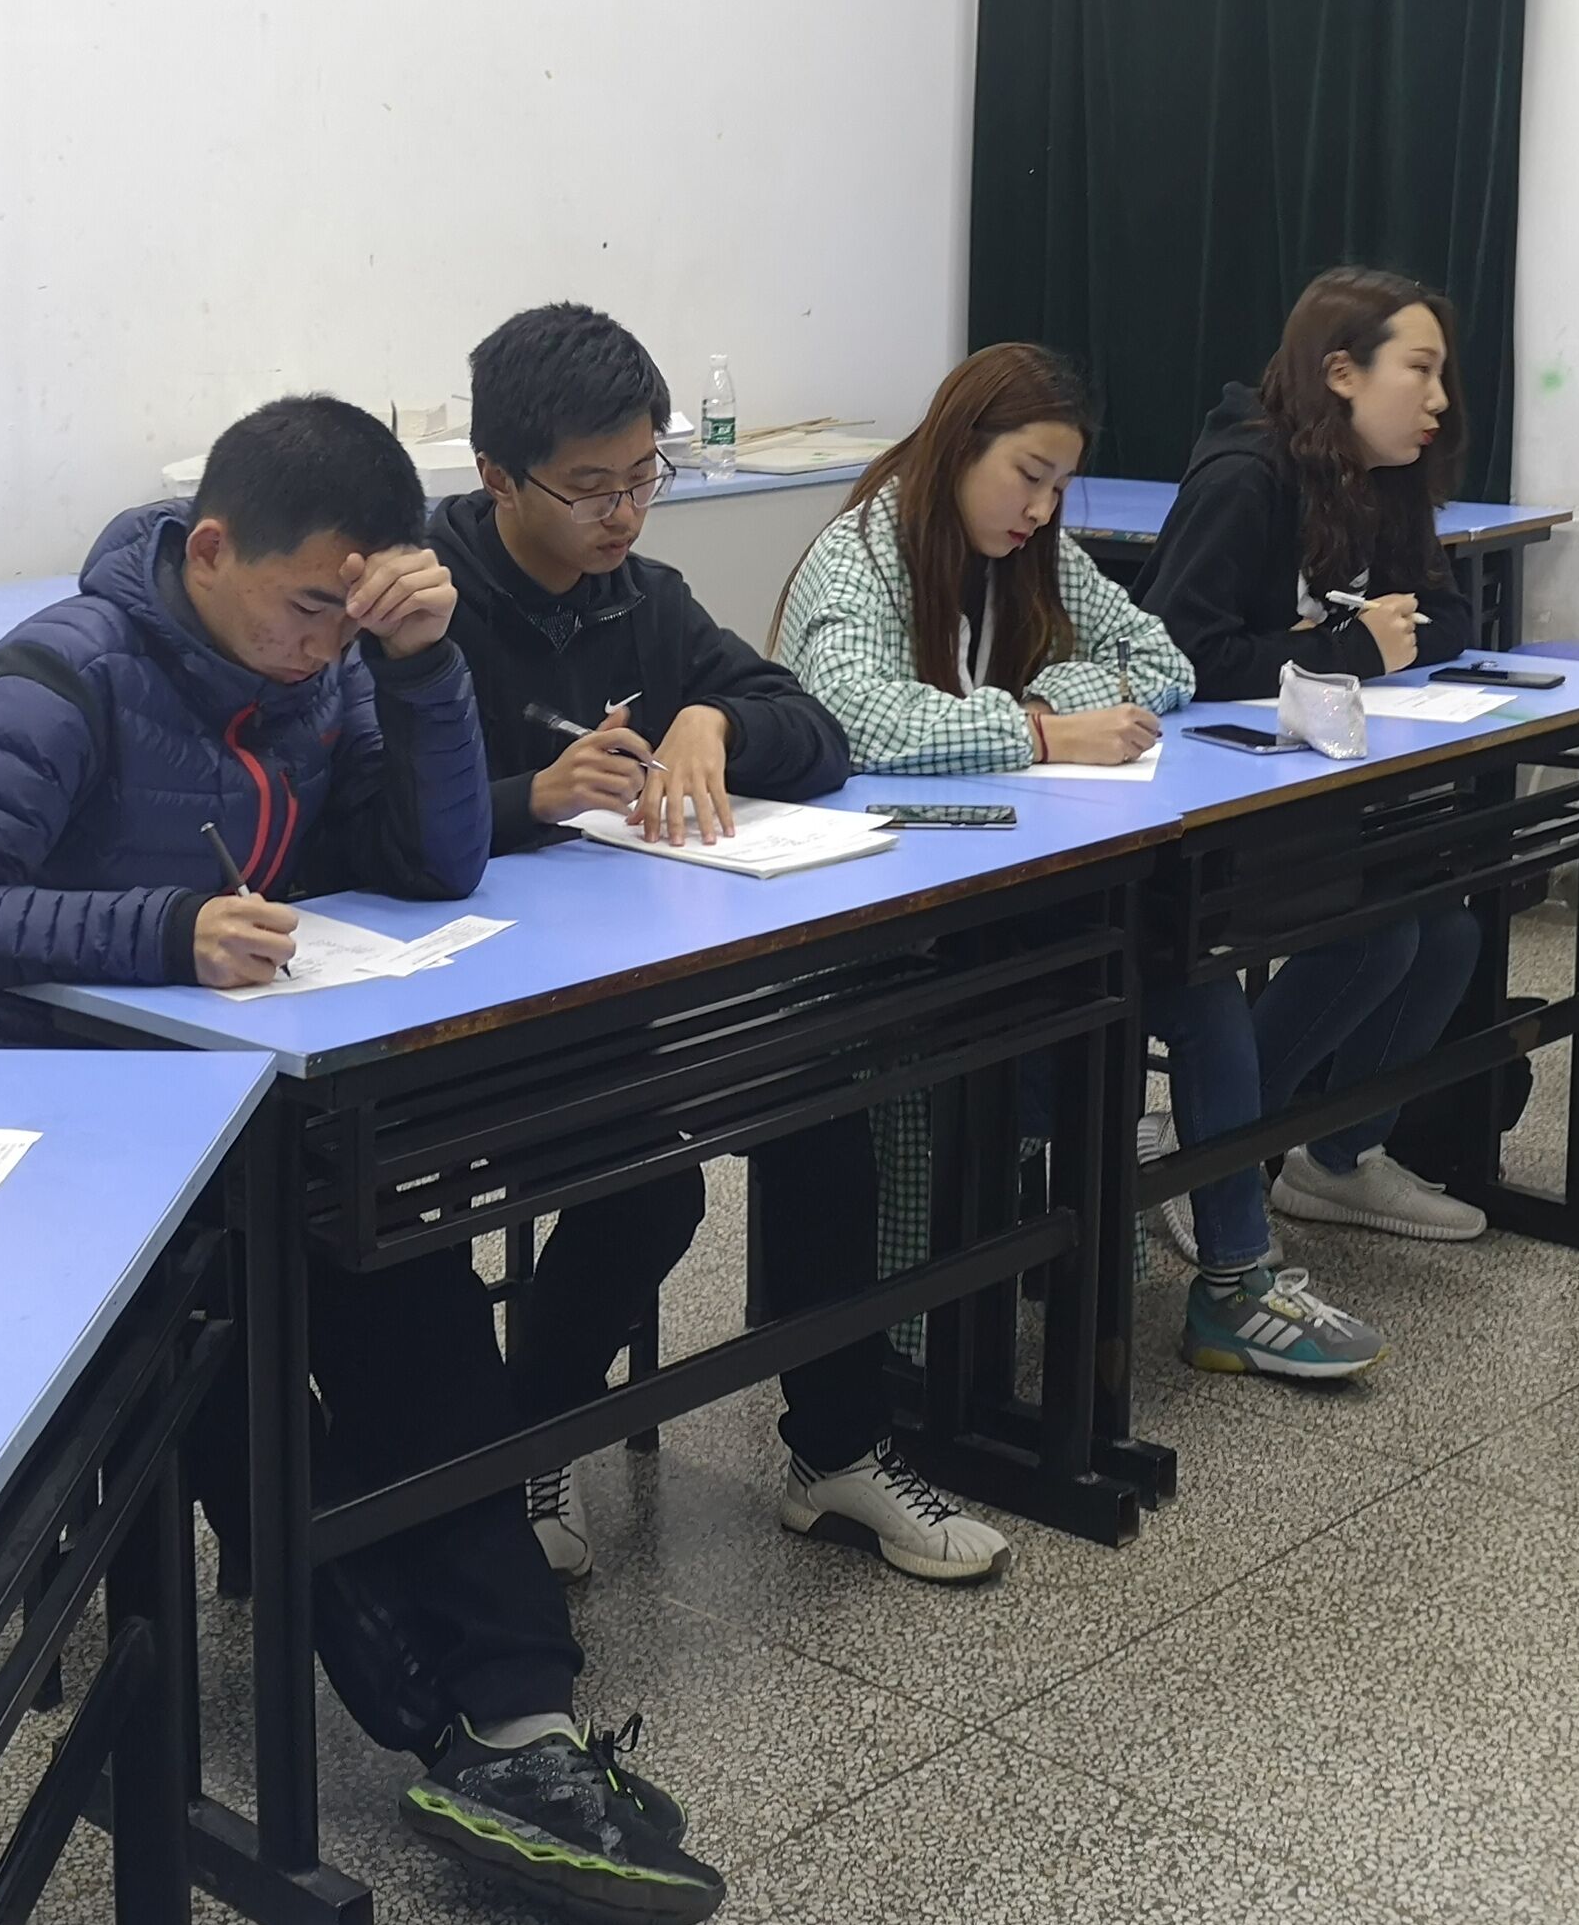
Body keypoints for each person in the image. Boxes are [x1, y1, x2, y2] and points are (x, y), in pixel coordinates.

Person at [0, 395, 722, 1925]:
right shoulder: (66, 675)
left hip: (254, 1098)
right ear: (210, 550)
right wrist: (164, 933)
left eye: (354, 611)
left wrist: (425, 668)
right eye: (310, 606)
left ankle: (524, 1714)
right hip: (71, 1130)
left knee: (412, 1291)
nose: (325, 640)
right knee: (231, 1361)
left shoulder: (327, 677)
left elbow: (437, 863)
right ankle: (444, 1728)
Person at [438, 304, 1005, 1589]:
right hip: (479, 1005)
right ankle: (527, 1438)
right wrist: (526, 799)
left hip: (638, 976)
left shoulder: (643, 597)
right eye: (590, 487)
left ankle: (837, 1450)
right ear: (496, 477)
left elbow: (811, 731)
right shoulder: (428, 608)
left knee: (820, 1102)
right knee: (652, 1184)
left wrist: (715, 722)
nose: (622, 515)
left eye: (645, 476)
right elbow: (367, 824)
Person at [776, 341, 1390, 1384]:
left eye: (1060, 486)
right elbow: (857, 714)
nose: (1041, 509)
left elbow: (1161, 660)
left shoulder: (1034, 555)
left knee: (1192, 982)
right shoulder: (863, 557)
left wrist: (1049, 694)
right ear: (956, 447)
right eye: (1028, 475)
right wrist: (1040, 731)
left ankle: (1231, 1281)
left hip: (1012, 891)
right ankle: (968, 1311)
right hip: (883, 925)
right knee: (1095, 1026)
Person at [1138, 268, 1491, 1245]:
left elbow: (1447, 616)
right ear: (1341, 373)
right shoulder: (1244, 477)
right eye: (1418, 370)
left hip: (1324, 782)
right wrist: (1346, 647)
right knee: (1374, 937)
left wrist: (1348, 640)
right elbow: (1178, 655)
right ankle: (1202, 1155)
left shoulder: (1387, 475)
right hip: (1216, 800)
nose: (1439, 399)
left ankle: (1336, 1158)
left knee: (1446, 931)